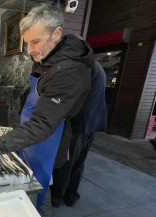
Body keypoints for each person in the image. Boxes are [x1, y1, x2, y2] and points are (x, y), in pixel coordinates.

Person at [0, 3, 94, 213]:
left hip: (50, 135)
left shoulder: (68, 71)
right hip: (35, 132)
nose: (29, 50)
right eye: (27, 43)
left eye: (35, 42)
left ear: (57, 34)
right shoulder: (50, 56)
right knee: (28, 176)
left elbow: (43, 124)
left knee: (37, 186)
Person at [50, 60, 107, 207]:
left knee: (66, 161)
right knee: (79, 160)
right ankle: (71, 195)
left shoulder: (81, 67)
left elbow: (69, 96)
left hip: (78, 122)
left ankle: (57, 195)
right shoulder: (95, 65)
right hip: (91, 122)